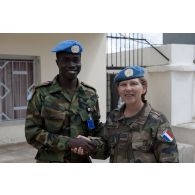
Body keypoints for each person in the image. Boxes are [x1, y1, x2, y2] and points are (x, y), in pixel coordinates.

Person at [76, 66, 179, 163]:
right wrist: (88, 145)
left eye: (133, 83)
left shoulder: (158, 121)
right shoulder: (113, 117)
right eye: (123, 85)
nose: (128, 88)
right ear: (118, 90)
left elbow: (170, 159)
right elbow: (105, 148)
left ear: (144, 88)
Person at [25, 40, 101, 163]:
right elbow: (31, 133)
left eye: (76, 60)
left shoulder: (90, 94)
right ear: (57, 63)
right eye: (66, 60)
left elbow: (95, 126)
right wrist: (68, 142)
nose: (72, 65)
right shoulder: (41, 93)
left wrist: (94, 143)